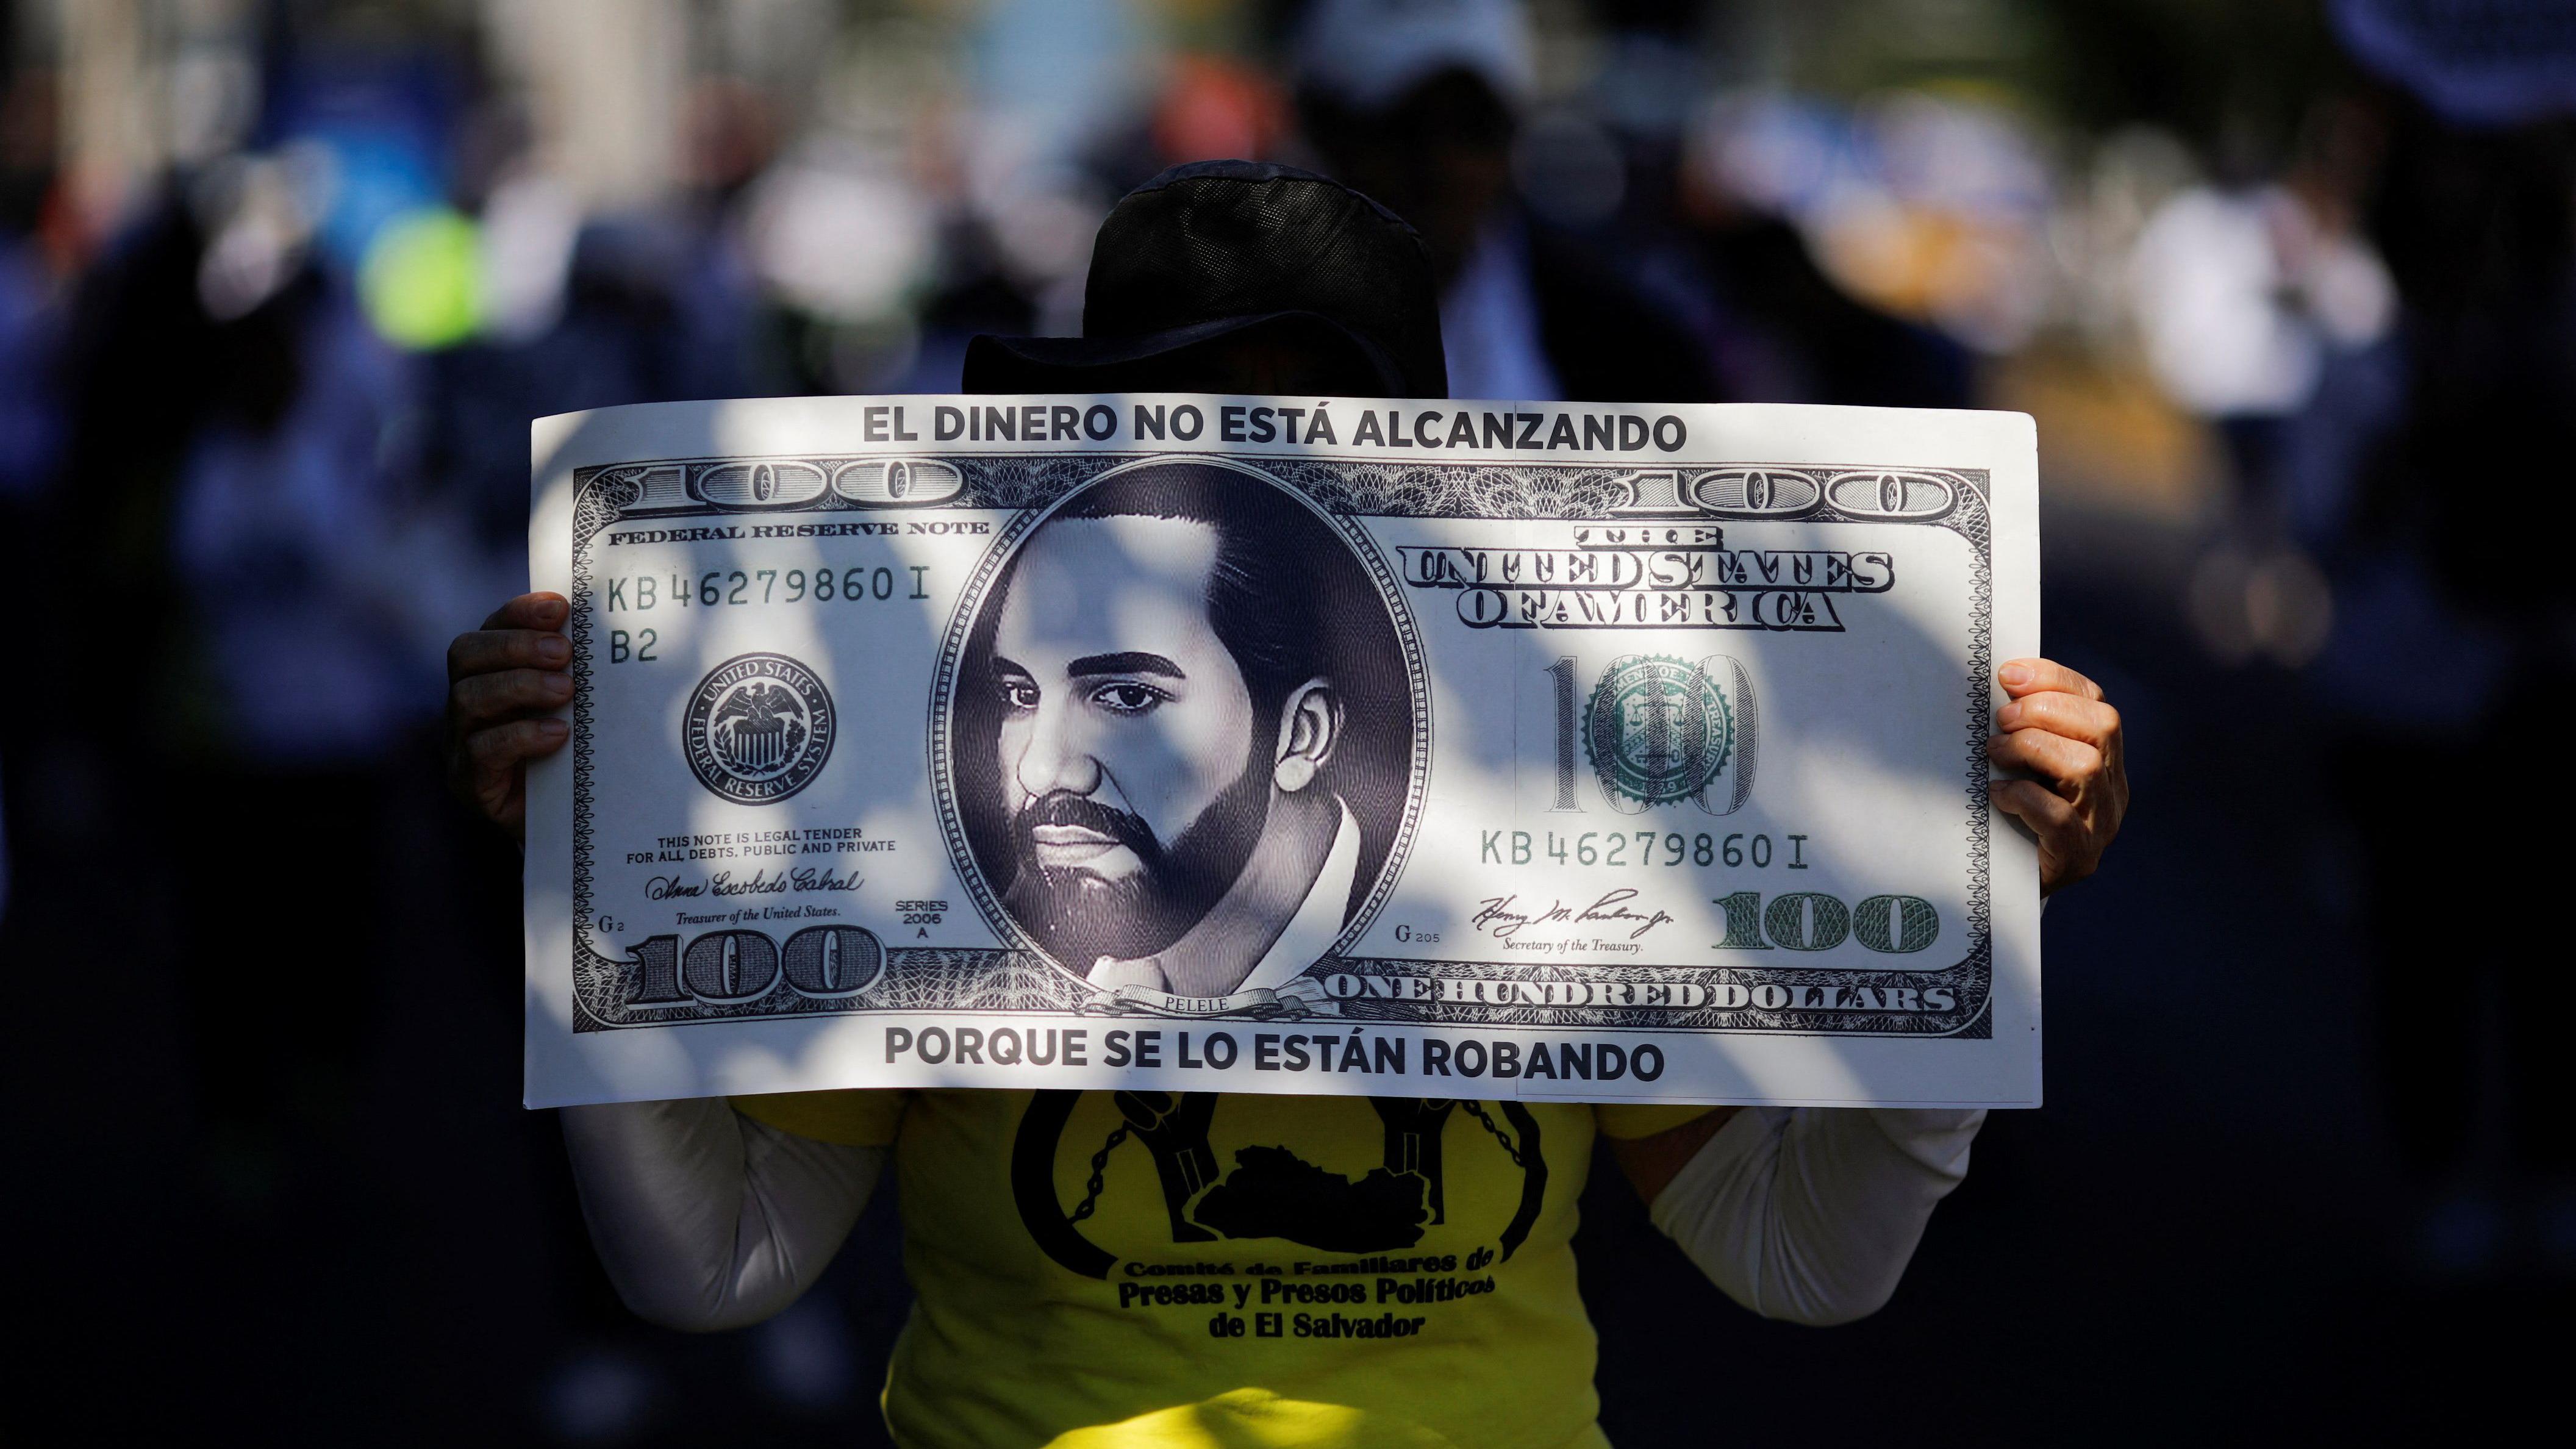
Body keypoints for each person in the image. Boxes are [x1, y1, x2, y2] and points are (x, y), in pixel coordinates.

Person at [448, 162, 2129, 1447]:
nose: (1048, 761)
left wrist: (1974, 904)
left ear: (1320, 705)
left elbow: (1807, 1259)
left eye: (1133, 688)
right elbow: (713, 1266)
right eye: (1158, 433)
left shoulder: (1560, 857)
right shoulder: (934, 825)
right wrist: (584, 886)